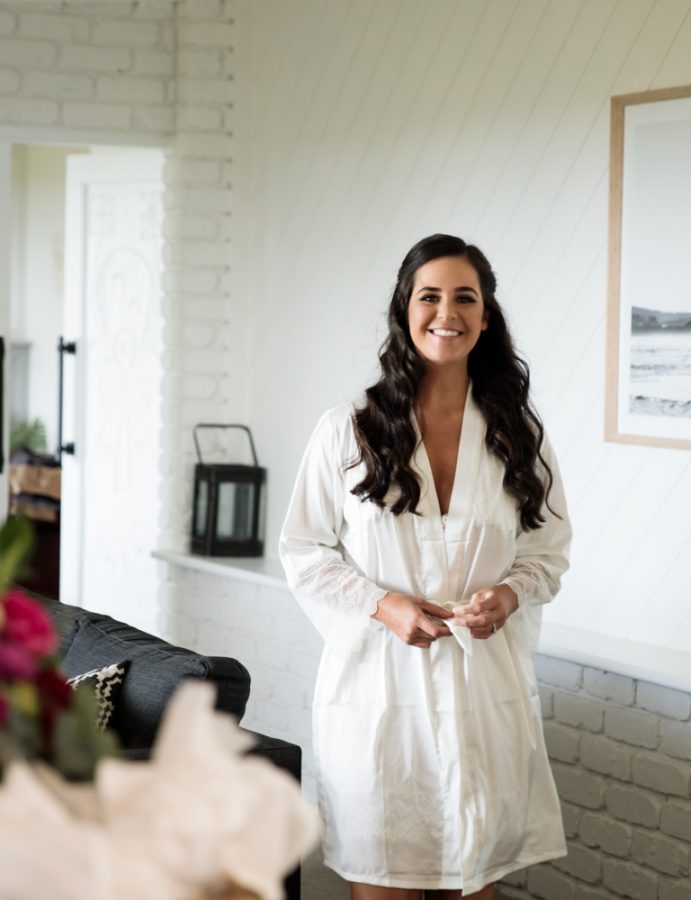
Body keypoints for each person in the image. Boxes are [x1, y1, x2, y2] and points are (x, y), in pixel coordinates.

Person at [280, 234, 572, 899]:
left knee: (471, 882)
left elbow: (548, 551)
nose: (447, 313)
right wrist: (384, 605)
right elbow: (303, 549)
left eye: (465, 297)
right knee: (383, 880)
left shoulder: (518, 436)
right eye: (430, 296)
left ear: (486, 317)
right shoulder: (347, 430)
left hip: (481, 699)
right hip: (378, 699)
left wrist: (509, 594)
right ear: (405, 310)